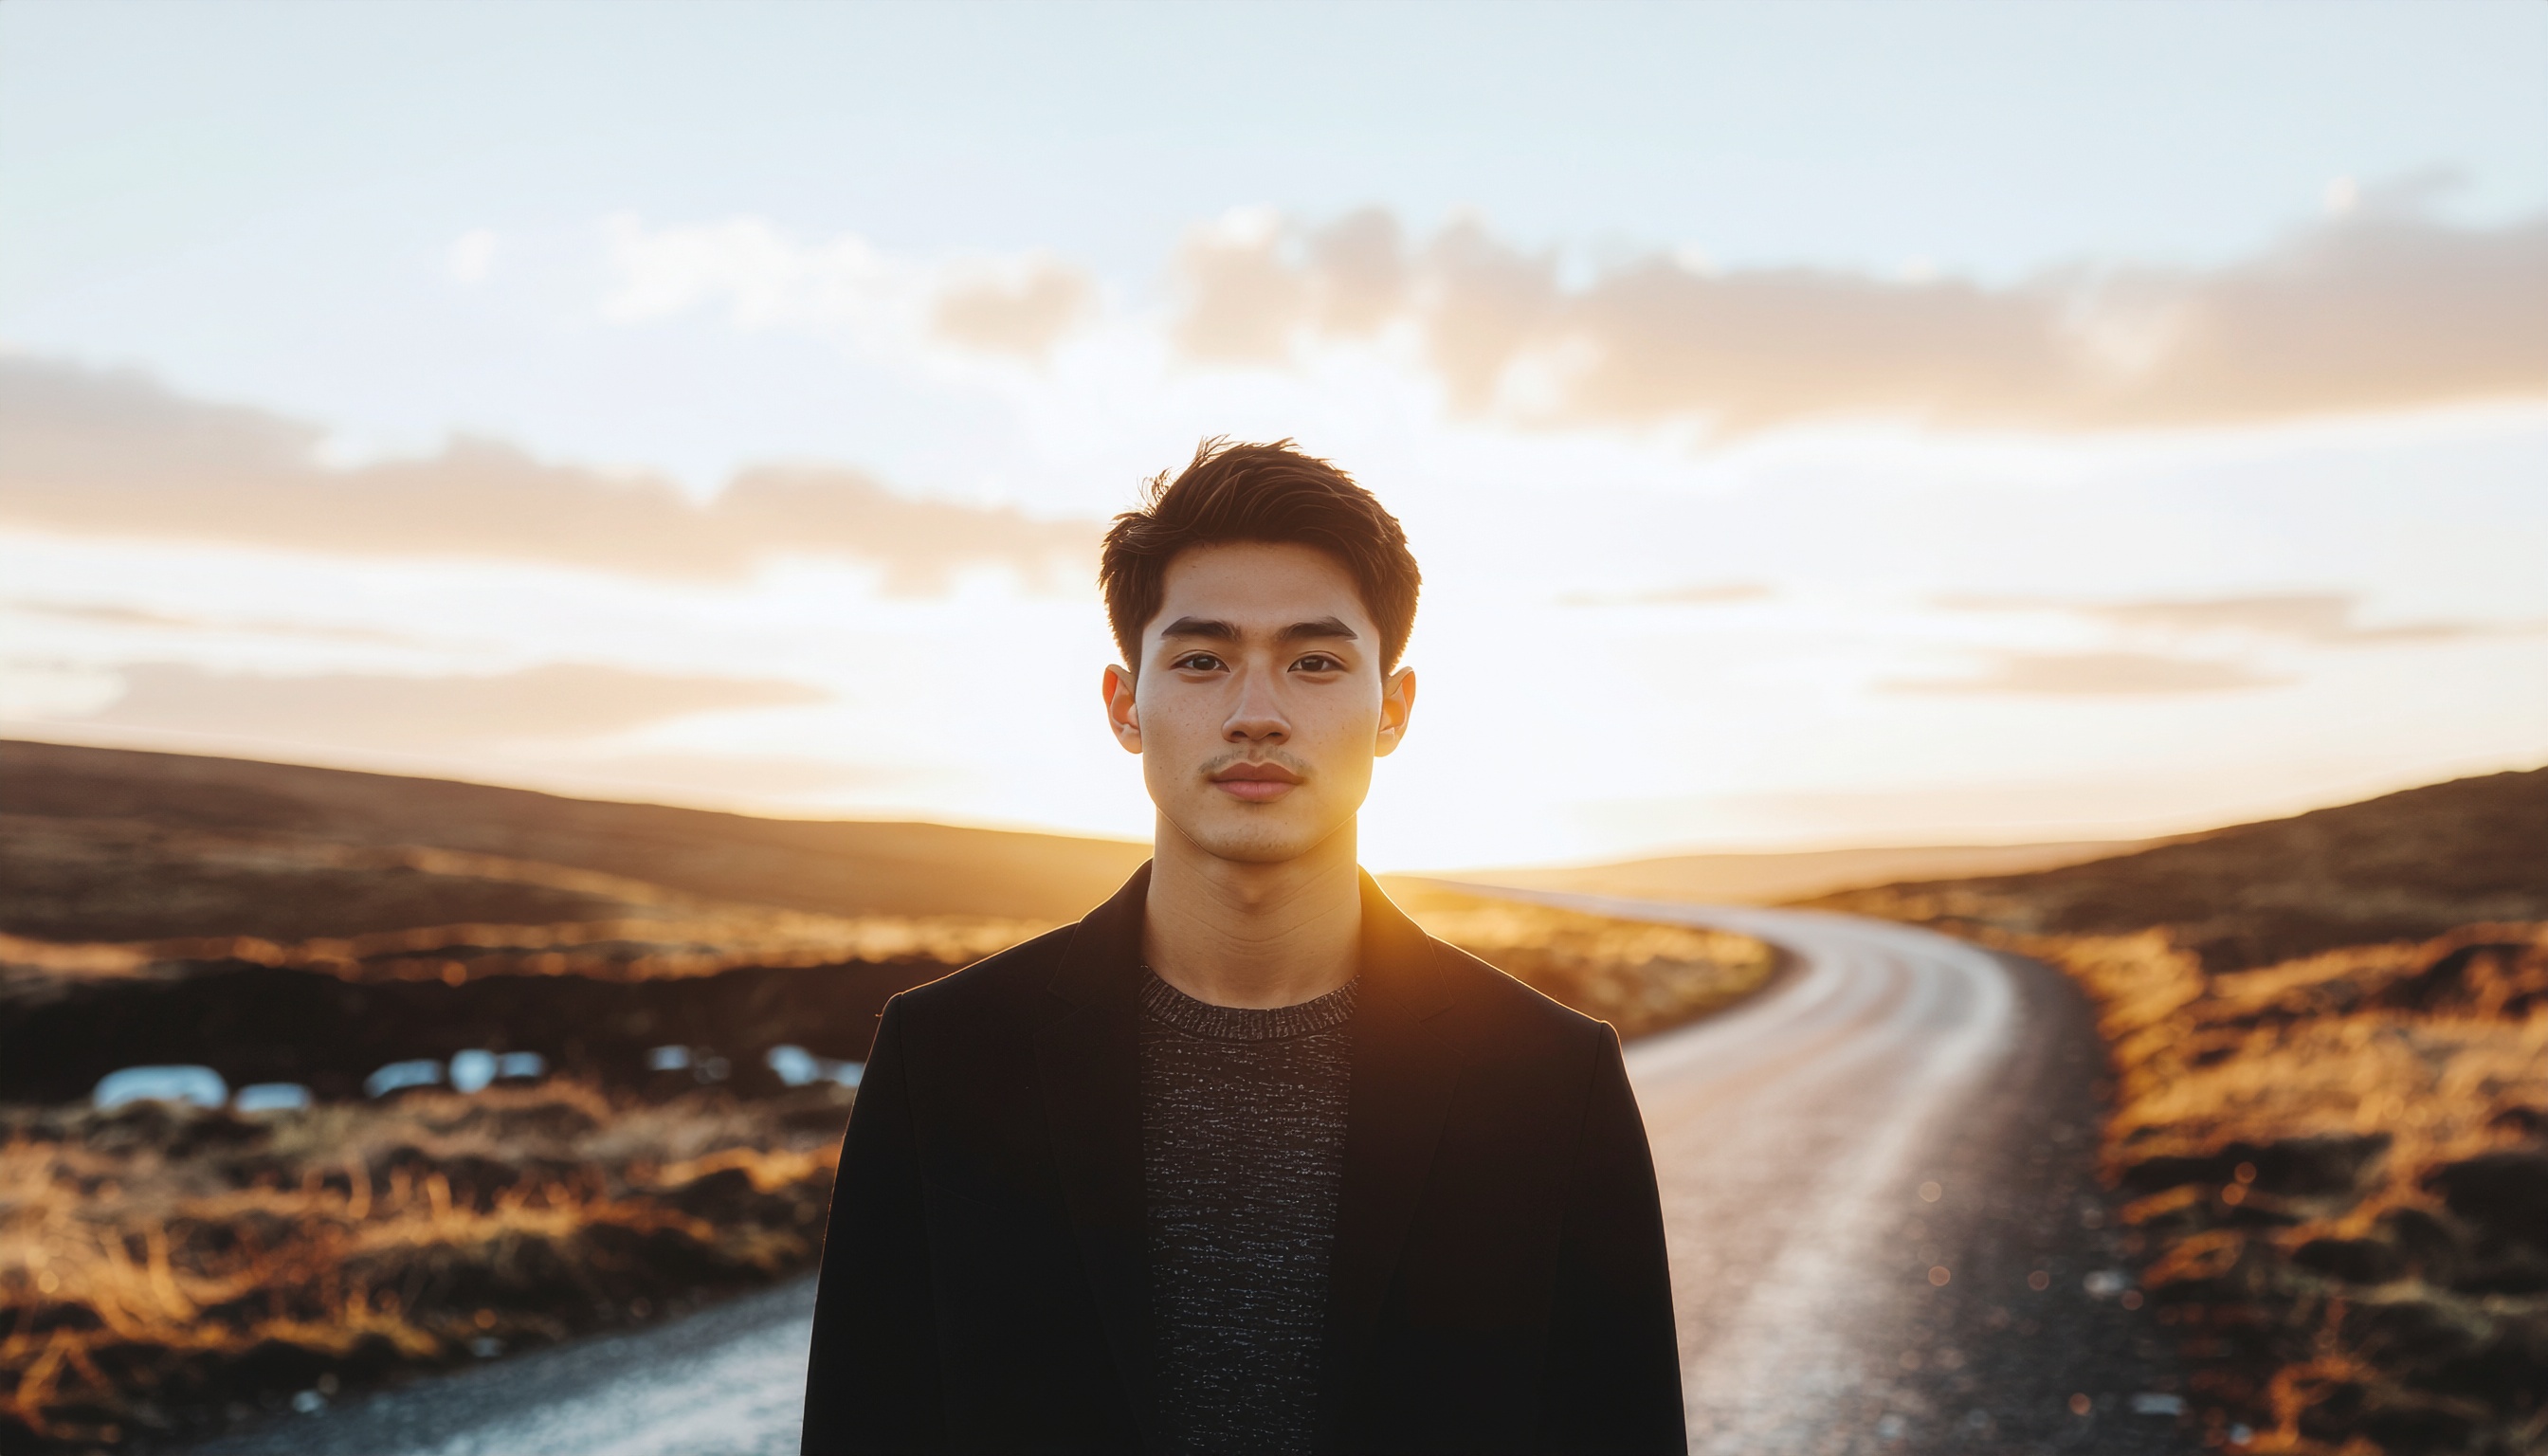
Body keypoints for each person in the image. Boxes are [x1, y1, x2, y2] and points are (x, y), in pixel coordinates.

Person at [801, 440, 1684, 1454]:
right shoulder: (946, 1061)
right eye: (1202, 660)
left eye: (1314, 662)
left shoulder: (1550, 1081)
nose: (1257, 714)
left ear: (1390, 709)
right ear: (1125, 705)